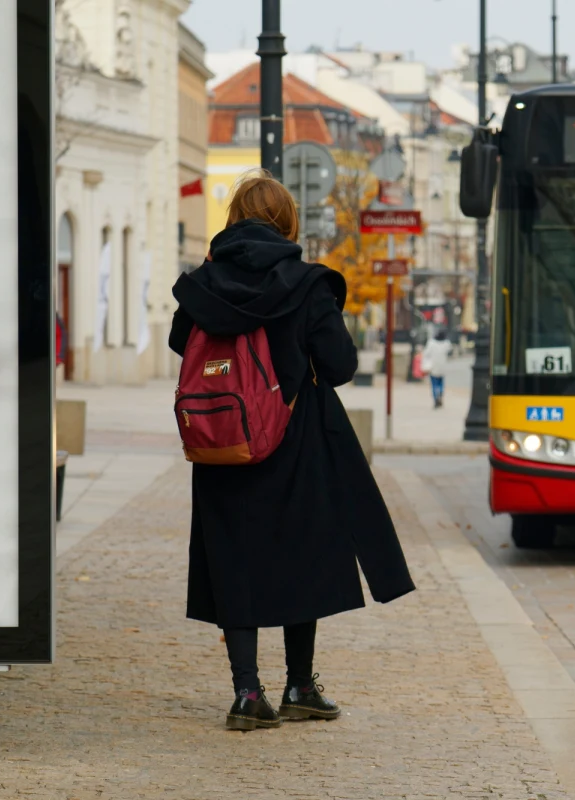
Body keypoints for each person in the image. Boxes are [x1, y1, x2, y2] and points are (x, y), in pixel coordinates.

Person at [168, 171, 415, 731]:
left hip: (225, 442)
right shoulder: (307, 284)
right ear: (287, 222)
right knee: (302, 552)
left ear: (233, 219)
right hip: (297, 439)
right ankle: (300, 684)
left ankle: (247, 692)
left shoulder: (203, 283)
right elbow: (340, 366)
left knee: (234, 556)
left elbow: (182, 343)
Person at [423, 328, 452, 408]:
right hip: (442, 366)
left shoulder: (431, 342)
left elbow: (426, 353)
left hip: (433, 366)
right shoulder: (446, 343)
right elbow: (449, 350)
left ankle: (436, 397)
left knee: (434, 383)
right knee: (441, 382)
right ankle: (440, 393)